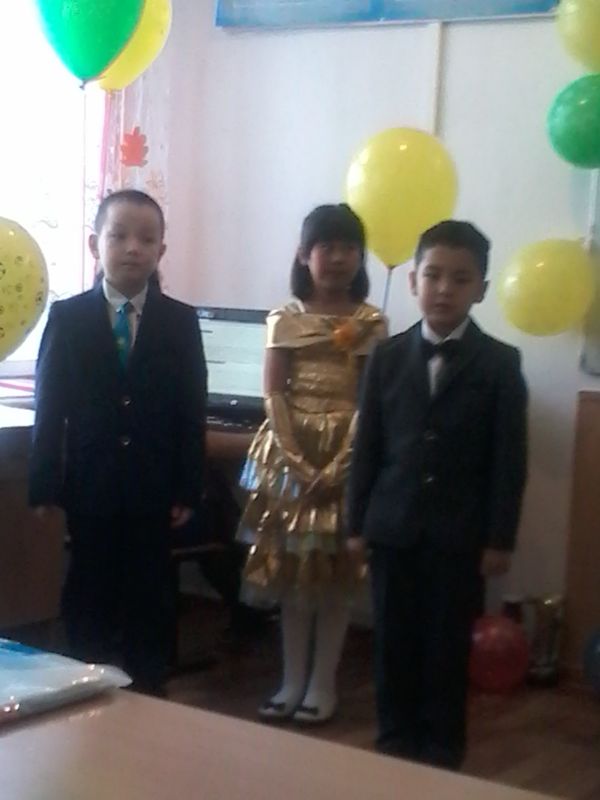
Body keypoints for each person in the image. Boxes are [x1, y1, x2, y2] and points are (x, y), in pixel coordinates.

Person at [347, 220, 528, 769]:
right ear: (413, 282)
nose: (444, 289)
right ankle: (393, 743)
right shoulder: (385, 357)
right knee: (392, 642)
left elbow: (509, 460)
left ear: (481, 289)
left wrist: (499, 538)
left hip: (459, 535)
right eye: (433, 275)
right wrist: (356, 523)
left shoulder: (500, 364)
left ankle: (443, 749)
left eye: (460, 278)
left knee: (447, 647)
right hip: (392, 527)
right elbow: (368, 447)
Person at [29, 189, 207, 696]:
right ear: (95, 245)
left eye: (146, 239)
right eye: (119, 236)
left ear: (161, 251)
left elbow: (191, 409)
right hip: (91, 485)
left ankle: (149, 690)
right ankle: (82, 687)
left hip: (154, 487)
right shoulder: (68, 318)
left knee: (150, 594)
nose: (133, 247)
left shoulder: (180, 321)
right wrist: (44, 484)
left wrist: (188, 487)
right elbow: (50, 405)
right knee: (89, 589)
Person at [238, 204, 387, 723]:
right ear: (305, 255)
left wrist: (343, 462)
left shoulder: (371, 322)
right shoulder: (285, 318)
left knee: (336, 576)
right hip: (290, 456)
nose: (339, 258)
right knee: (295, 575)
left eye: (350, 248)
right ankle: (291, 680)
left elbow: (371, 400)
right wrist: (299, 463)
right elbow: (273, 393)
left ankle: (324, 684)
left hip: (349, 452)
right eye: (328, 247)